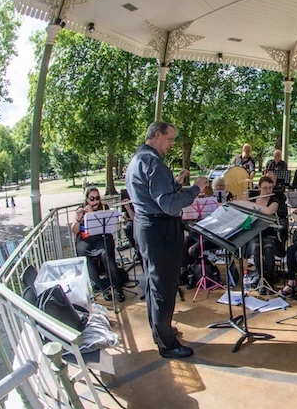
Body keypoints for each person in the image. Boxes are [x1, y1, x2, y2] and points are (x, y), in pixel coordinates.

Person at [126, 121, 208, 359]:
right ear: (158, 134)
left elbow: (155, 194)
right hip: (160, 230)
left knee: (154, 283)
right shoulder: (154, 163)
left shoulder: (139, 158)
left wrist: (177, 184)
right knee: (164, 286)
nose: (172, 144)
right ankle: (168, 344)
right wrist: (195, 189)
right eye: (170, 138)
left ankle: (160, 331)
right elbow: (169, 205)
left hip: (146, 226)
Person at [71, 187, 126, 302]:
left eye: (97, 198)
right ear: (87, 199)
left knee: (106, 255)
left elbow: (110, 226)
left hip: (101, 237)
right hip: (85, 239)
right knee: (85, 256)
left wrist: (92, 214)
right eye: (92, 198)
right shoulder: (80, 209)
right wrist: (77, 219)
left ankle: (118, 288)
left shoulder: (104, 208)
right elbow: (75, 230)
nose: (95, 201)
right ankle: (103, 288)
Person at [243, 176, 283, 286]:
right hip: (255, 232)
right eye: (265, 188)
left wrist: (250, 205)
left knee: (268, 248)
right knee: (256, 248)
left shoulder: (274, 200)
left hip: (269, 233)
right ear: (259, 187)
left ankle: (270, 276)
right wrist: (245, 203)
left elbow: (269, 211)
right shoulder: (253, 198)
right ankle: (260, 275)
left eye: (270, 188)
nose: (268, 191)